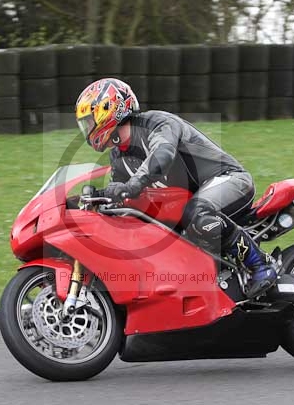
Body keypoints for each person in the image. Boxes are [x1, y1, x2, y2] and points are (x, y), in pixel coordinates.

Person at [75, 77, 278, 298]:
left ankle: (260, 264)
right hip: (189, 200)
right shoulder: (118, 156)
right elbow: (126, 199)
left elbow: (162, 155)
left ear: (108, 109)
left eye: (88, 121)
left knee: (197, 213)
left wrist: (132, 185)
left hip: (229, 179)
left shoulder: (157, 123)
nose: (87, 130)